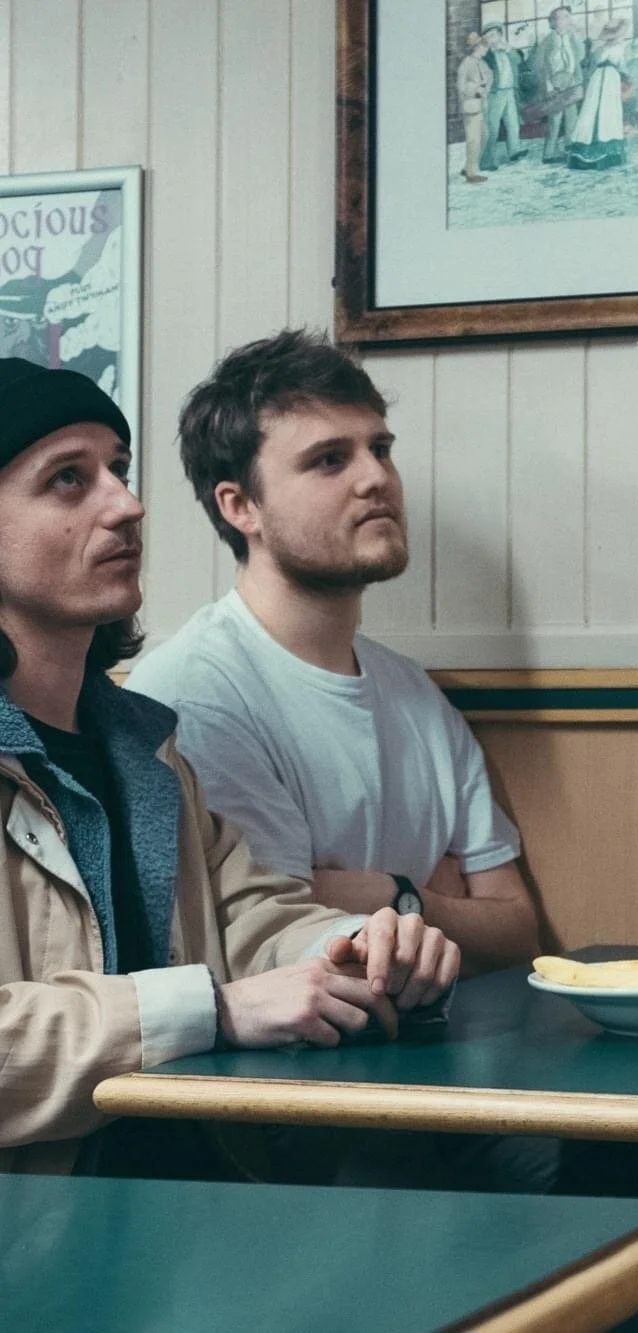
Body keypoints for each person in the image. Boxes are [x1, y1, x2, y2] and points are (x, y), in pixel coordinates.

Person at [0, 357, 457, 1177]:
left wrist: (356, 946)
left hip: (196, 1190)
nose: (127, 504)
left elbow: (246, 913)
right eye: (69, 479)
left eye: (119, 469)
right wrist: (209, 1008)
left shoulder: (141, 744)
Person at [127, 331, 540, 981]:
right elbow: (280, 944)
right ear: (241, 506)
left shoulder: (411, 690)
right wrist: (440, 900)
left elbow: (517, 931)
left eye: (380, 448)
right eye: (328, 460)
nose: (375, 477)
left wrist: (391, 895)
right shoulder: (195, 693)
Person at [567, 17, 629, 171]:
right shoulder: (599, 45)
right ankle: (586, 148)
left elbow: (622, 65)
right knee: (591, 109)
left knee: (608, 111)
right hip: (599, 77)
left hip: (611, 78)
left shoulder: (620, 46)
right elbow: (592, 62)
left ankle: (609, 150)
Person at [534, 6, 583, 163]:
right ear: (553, 22)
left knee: (572, 117)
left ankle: (570, 147)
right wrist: (548, 87)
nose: (566, 20)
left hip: (571, 80)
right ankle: (548, 153)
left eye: (568, 16)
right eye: (562, 17)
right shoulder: (547, 42)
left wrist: (575, 35)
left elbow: (580, 56)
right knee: (555, 119)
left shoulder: (572, 38)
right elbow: (540, 67)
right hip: (555, 82)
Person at [479, 24, 526, 172]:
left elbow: (518, 60)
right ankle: (487, 161)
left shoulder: (508, 50)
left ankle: (514, 151)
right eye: (487, 37)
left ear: (500, 35)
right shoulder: (485, 54)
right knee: (492, 127)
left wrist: (508, 49)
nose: (490, 39)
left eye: (493, 35)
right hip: (495, 93)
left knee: (512, 123)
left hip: (510, 91)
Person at [456, 31, 492, 185]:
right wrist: (476, 89)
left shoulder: (482, 63)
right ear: (477, 48)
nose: (486, 49)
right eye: (484, 47)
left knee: (484, 135)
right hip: (470, 106)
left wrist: (485, 87)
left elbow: (489, 77)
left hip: (481, 105)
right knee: (474, 139)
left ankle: (467, 167)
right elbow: (461, 87)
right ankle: (471, 174)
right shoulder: (466, 63)